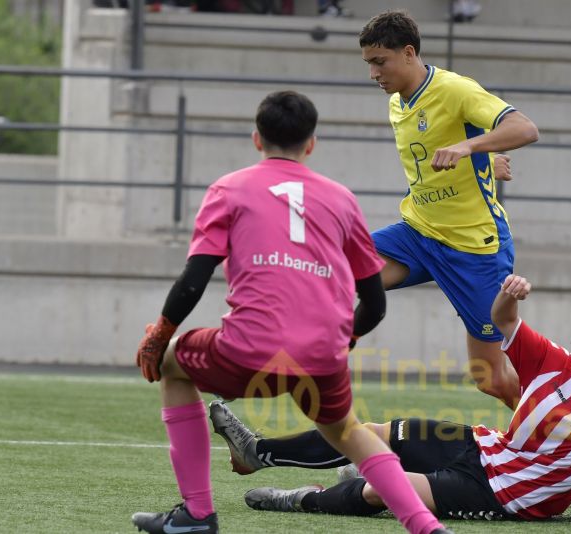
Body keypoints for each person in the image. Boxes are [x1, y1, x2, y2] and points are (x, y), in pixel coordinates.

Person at [208, 274, 571, 532]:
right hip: (483, 449)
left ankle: (300, 500)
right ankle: (259, 452)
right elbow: (506, 324)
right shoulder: (556, 364)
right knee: (371, 432)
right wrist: (509, 297)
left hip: (507, 496)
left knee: (386, 490)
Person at [130, 90, 451, 534]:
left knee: (172, 365)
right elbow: (375, 304)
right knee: (348, 432)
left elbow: (193, 280)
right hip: (322, 353)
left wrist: (160, 334)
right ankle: (427, 527)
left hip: (248, 349)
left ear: (257, 139)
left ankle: (197, 514)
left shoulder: (229, 188)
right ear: (311, 144)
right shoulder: (341, 199)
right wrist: (342, 341)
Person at [358, 10, 539, 409]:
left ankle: (557, 435)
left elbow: (525, 129)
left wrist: (470, 148)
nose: (373, 73)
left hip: (472, 249)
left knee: (491, 379)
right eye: (369, 63)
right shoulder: (397, 103)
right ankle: (330, 353)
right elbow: (431, 162)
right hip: (418, 234)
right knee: (344, 269)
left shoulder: (455, 90)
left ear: (409, 53)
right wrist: (484, 163)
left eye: (380, 62)